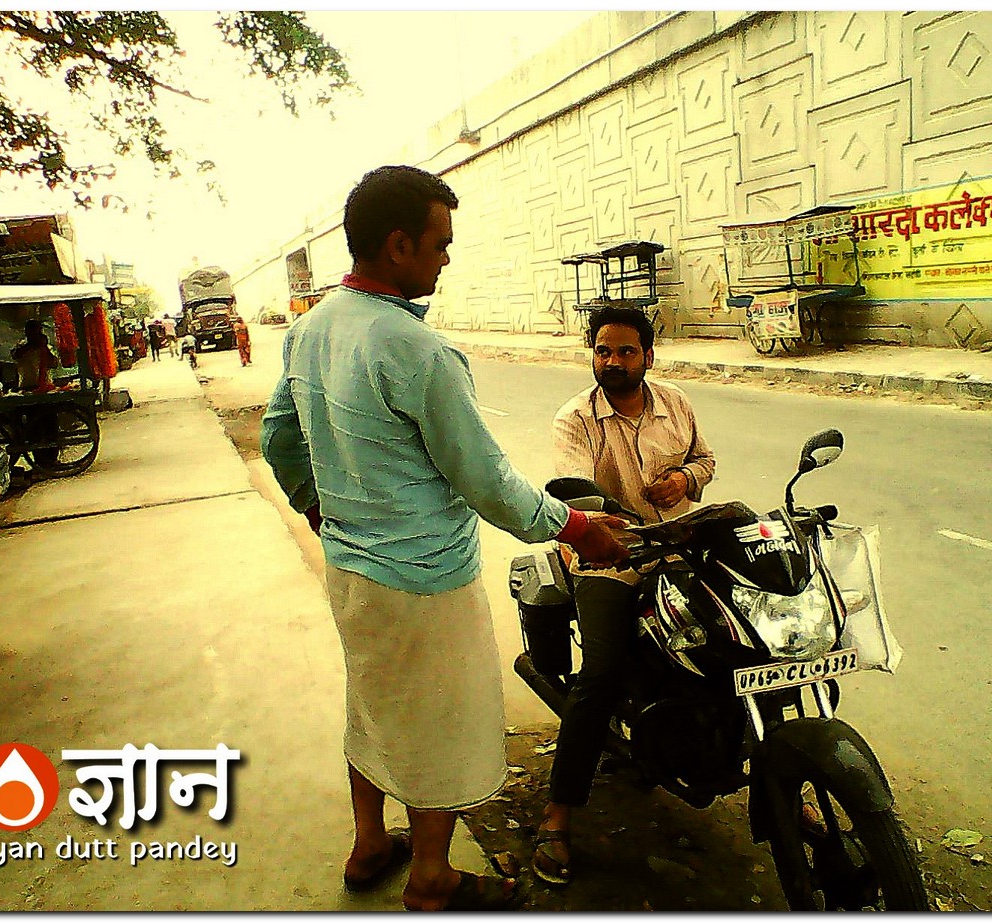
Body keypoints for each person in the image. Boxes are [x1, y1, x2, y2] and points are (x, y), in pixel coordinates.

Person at [261, 165, 630, 912]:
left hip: (351, 572)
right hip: (424, 581)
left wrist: (320, 511)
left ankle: (370, 843)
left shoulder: (311, 329)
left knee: (371, 707)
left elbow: (278, 438)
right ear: (399, 245)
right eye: (440, 244)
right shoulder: (416, 350)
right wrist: (579, 528)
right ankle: (430, 874)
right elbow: (487, 480)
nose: (446, 259)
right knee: (440, 726)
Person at [532, 305, 715, 887]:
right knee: (602, 673)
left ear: (648, 356)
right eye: (603, 350)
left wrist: (685, 479)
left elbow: (705, 460)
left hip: (679, 544)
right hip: (608, 555)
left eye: (626, 351)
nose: (613, 361)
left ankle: (781, 780)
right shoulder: (576, 418)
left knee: (744, 646)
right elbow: (573, 493)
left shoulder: (675, 402)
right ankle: (558, 814)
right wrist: (608, 518)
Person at [11, 319, 59, 393]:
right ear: (26, 332)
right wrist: (31, 345)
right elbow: (16, 355)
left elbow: (54, 364)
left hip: (46, 387)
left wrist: (44, 347)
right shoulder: (21, 346)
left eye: (36, 331)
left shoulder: (46, 347)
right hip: (26, 387)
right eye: (31, 331)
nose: (34, 335)